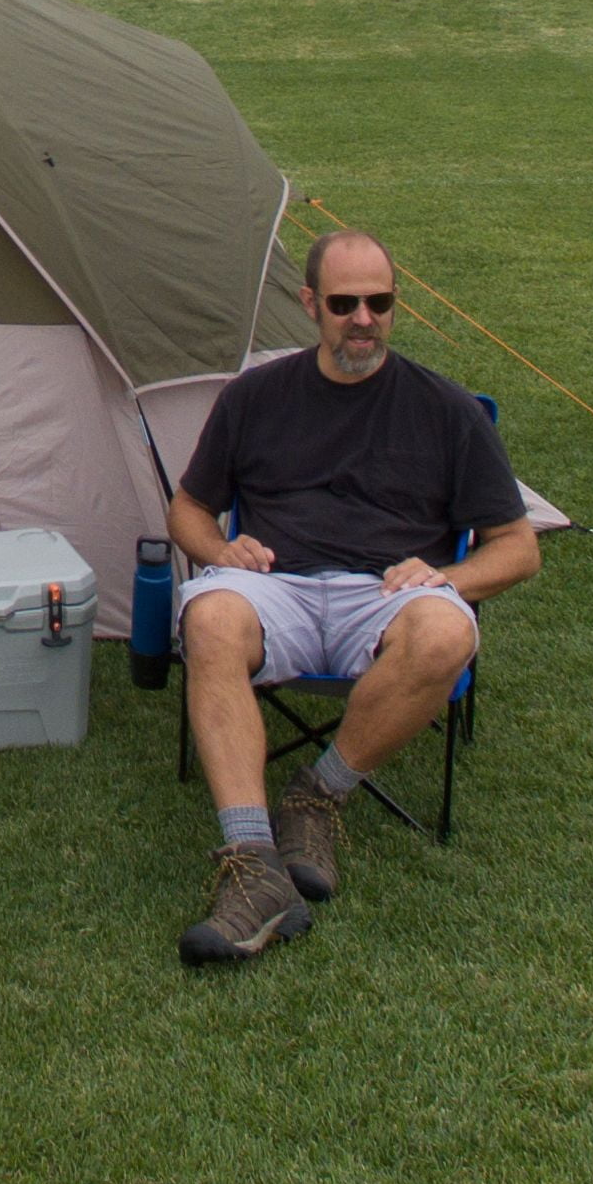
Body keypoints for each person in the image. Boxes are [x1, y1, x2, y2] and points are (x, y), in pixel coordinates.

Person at [168, 228, 538, 966]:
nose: (363, 319)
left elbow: (518, 548)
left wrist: (448, 578)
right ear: (310, 304)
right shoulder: (256, 397)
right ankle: (253, 862)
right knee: (208, 615)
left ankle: (317, 796)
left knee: (444, 635)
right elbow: (188, 511)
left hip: (388, 593)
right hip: (279, 586)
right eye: (344, 303)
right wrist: (219, 549)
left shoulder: (447, 410)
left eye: (380, 302)